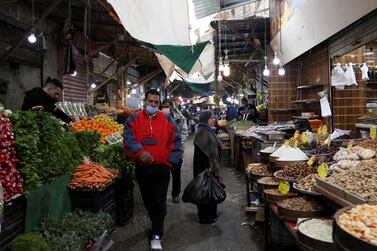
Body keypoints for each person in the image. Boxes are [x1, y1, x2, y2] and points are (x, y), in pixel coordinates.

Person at [123, 89, 182, 250]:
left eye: (156, 103)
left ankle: (156, 234)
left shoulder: (167, 119)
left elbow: (176, 142)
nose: (153, 105)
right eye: (150, 102)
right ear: (145, 102)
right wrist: (140, 153)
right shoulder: (133, 119)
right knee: (148, 201)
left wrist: (169, 162)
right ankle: (155, 219)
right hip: (142, 169)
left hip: (162, 169)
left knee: (159, 202)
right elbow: (128, 139)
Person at [193, 110, 222, 224]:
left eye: (214, 117)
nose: (213, 120)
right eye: (211, 118)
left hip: (206, 167)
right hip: (205, 167)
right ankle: (207, 216)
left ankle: (206, 215)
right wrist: (209, 168)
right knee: (207, 191)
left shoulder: (206, 130)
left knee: (206, 191)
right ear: (205, 119)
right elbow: (205, 152)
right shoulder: (204, 132)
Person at [161, 99, 189, 204]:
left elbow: (185, 131)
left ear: (172, 107)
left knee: (176, 174)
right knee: (164, 174)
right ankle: (162, 195)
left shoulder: (180, 118)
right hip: (163, 151)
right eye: (163, 107)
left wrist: (177, 143)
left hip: (177, 151)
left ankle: (175, 194)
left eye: (167, 107)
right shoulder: (159, 118)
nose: (165, 109)